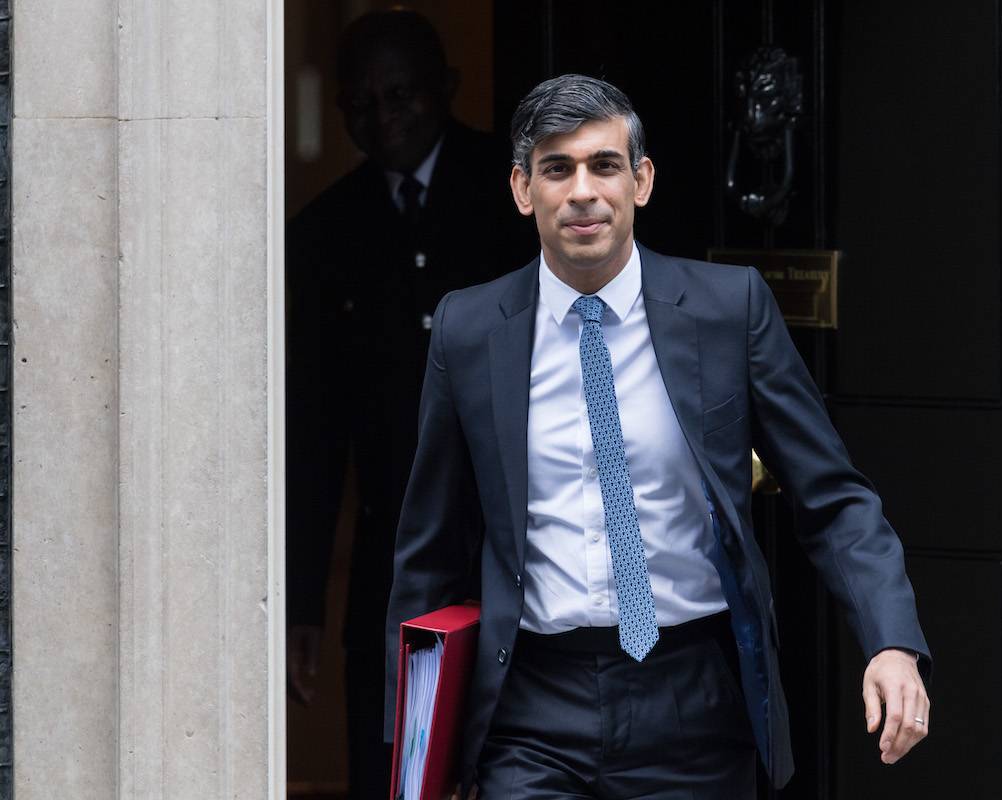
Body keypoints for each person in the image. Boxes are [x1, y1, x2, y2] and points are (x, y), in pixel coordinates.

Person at [384, 74, 931, 797]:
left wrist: (892, 642)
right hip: (530, 703)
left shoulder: (727, 311)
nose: (583, 191)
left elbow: (832, 497)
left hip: (690, 700)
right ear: (523, 189)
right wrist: (419, 745)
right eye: (557, 168)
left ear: (640, 180)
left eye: (604, 165)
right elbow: (429, 548)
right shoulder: (471, 329)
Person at [285, 10, 529, 800]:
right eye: (362, 101)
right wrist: (301, 600)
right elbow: (314, 432)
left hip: (521, 540)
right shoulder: (325, 232)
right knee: (395, 764)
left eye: (402, 94)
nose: (382, 117)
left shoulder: (515, 196)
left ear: (445, 89)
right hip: (394, 563)